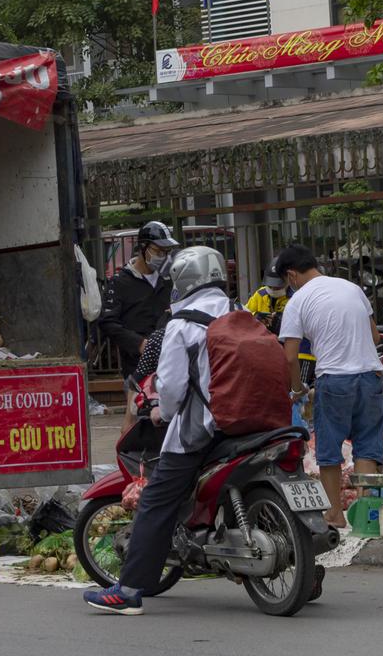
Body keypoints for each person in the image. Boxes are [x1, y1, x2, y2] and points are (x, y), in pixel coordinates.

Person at [83, 246, 231, 615]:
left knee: (155, 502)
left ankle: (129, 590)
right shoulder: (237, 312)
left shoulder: (182, 324)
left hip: (203, 427)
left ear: (183, 281)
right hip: (247, 422)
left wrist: (160, 414)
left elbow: (172, 387)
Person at [274, 244, 383, 529]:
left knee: (329, 450)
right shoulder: (352, 288)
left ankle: (335, 513)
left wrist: (298, 388)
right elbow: (375, 337)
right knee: (367, 448)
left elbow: (289, 356)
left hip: (334, 380)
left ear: (291, 275)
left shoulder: (297, 301)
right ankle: (366, 515)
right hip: (371, 376)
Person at [98, 221, 179, 383]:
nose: (163, 257)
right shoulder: (119, 282)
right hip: (136, 369)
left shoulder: (170, 280)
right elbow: (107, 322)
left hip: (171, 364)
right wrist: (139, 344)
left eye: (167, 252)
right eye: (159, 251)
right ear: (143, 248)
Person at [244, 262, 289, 332]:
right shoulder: (260, 294)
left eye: (277, 287)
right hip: (261, 337)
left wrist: (282, 321)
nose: (273, 290)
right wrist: (255, 316)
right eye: (270, 286)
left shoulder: (294, 297)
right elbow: (244, 315)